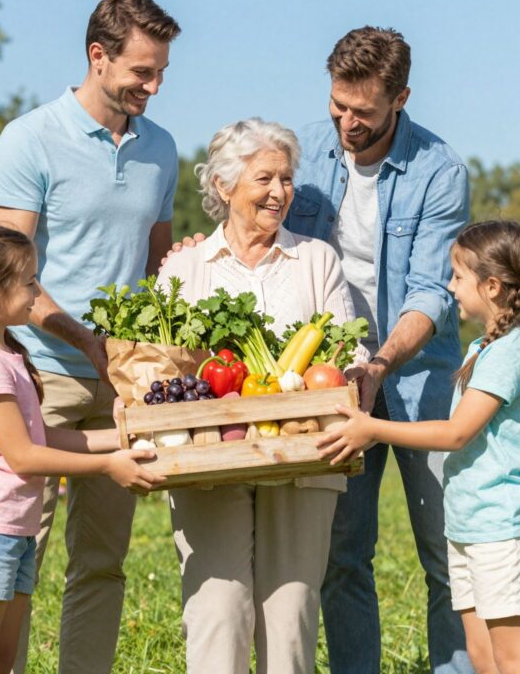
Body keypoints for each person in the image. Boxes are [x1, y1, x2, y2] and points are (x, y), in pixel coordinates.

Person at [0, 0, 181, 673]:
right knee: (14, 552)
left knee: (102, 560)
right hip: (40, 372)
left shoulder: (161, 149)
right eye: (141, 73)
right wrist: (83, 340)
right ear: (98, 57)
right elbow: (5, 275)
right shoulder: (29, 139)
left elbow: (160, 264)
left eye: (160, 74)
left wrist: (147, 354)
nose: (153, 87)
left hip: (123, 381)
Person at [283, 26, 471, 673]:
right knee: (342, 553)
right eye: (338, 106)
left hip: (420, 381)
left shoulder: (439, 171)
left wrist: (380, 362)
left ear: (401, 98)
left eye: (363, 111)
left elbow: (431, 293)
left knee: (448, 553)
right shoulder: (303, 151)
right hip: (330, 379)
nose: (347, 123)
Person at [158, 118, 366, 673]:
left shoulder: (316, 259)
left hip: (304, 457)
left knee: (292, 614)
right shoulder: (184, 267)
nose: (280, 193)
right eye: (264, 178)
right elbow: (158, 369)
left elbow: (349, 353)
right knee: (217, 613)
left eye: (287, 179)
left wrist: (345, 378)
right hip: (207, 461)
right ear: (224, 187)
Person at [0, 224, 163, 674]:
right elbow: (24, 457)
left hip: (12, 528)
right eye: (30, 281)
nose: (38, 292)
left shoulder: (9, 356)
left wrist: (124, 437)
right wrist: (107, 467)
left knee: (1, 660)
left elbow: (43, 439)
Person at [318, 220, 520, 674]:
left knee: (514, 657)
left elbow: (455, 433)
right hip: (470, 524)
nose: (450, 287)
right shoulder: (482, 347)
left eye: (459, 277)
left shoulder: (510, 353)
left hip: (503, 528)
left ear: (493, 286)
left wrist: (373, 429)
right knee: (482, 656)